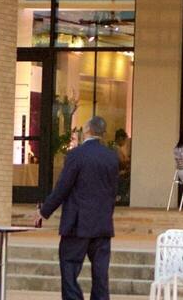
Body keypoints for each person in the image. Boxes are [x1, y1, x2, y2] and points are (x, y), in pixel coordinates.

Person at [35, 116, 120, 300]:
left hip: (78, 223)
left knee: (69, 267)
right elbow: (113, 191)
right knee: (100, 274)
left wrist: (44, 211)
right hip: (102, 223)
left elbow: (62, 187)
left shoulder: (76, 155)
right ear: (102, 133)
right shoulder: (111, 157)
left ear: (87, 130)